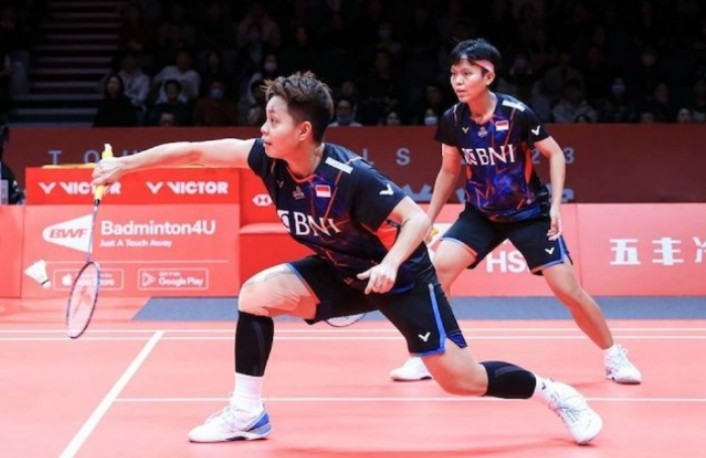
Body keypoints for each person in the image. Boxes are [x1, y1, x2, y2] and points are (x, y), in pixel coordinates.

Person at [92, 71, 602, 445]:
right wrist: (126, 166)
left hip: (400, 276)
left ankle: (552, 393)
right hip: (342, 271)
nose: (262, 129)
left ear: (303, 131)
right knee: (256, 294)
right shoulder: (267, 159)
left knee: (461, 380)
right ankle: (247, 413)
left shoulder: (350, 176)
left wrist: (390, 265)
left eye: (273, 120)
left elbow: (416, 220)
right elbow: (195, 152)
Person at [389, 39, 642, 385]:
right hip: (481, 214)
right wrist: (427, 220)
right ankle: (431, 354)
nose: (458, 81)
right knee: (437, 273)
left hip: (529, 213)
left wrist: (555, 205)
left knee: (567, 290)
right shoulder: (453, 119)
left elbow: (554, 154)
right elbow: (449, 170)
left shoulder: (516, 113)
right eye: (454, 74)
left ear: (488, 76)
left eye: (467, 73)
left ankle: (613, 355)